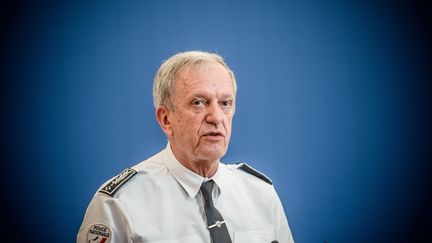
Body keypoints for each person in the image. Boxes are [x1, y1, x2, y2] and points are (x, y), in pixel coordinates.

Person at [77, 51, 295, 243]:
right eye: (198, 102)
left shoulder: (261, 194)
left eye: (225, 103)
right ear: (165, 119)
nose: (216, 117)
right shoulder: (119, 205)